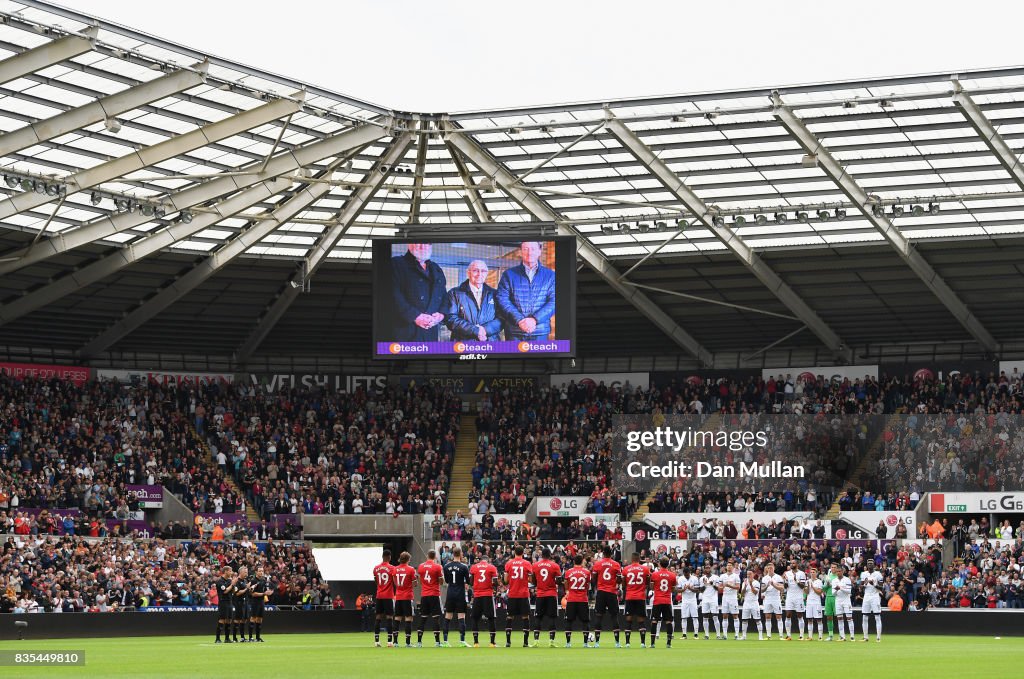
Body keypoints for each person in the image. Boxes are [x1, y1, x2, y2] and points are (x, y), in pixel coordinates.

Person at [495, 241, 556, 341]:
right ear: (520, 252)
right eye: (525, 249)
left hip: (540, 331)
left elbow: (554, 301)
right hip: (514, 331)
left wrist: (534, 320)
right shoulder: (508, 274)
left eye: (533, 249)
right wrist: (519, 320)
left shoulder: (550, 275)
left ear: (539, 251)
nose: (529, 252)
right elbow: (502, 299)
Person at [390, 243, 447, 341]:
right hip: (404, 333)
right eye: (418, 242)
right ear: (409, 244)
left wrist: (441, 315)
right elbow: (392, 294)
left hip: (431, 333)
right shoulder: (395, 264)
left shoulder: (436, 268)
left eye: (427, 243)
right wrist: (415, 316)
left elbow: (444, 296)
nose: (423, 246)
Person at [445, 260, 502, 341]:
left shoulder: (495, 294)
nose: (479, 274)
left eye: (483, 271)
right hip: (463, 345)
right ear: (468, 273)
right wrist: (476, 330)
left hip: (490, 343)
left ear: (486, 274)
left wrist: (485, 330)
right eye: (475, 270)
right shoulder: (454, 293)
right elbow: (450, 319)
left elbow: (501, 318)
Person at [591, 545, 622, 647]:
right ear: (611, 554)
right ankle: (617, 643)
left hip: (601, 592)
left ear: (603, 553)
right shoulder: (616, 564)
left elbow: (593, 579)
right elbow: (619, 580)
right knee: (614, 616)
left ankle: (597, 643)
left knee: (599, 616)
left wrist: (597, 587)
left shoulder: (597, 564)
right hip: (612, 592)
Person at [503, 545, 533, 647]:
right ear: (523, 552)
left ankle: (508, 642)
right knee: (525, 616)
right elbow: (531, 580)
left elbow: (506, 580)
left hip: (512, 594)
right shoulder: (527, 563)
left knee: (509, 616)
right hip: (524, 594)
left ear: (514, 552)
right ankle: (525, 642)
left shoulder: (509, 563)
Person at [532, 547, 562, 647]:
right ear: (550, 555)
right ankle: (551, 641)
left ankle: (536, 641)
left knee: (538, 617)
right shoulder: (555, 565)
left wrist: (540, 584)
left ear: (541, 555)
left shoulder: (535, 565)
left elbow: (533, 581)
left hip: (540, 594)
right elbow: (558, 581)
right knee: (552, 617)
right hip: (551, 594)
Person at [442, 547, 470, 647]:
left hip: (450, 593)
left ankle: (445, 641)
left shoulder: (446, 566)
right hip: (460, 594)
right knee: (461, 616)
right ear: (461, 554)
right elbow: (468, 581)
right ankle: (462, 641)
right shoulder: (464, 566)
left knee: (448, 616)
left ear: (452, 554)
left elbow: (447, 580)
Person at [468, 555, 499, 647]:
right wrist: (494, 590)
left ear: (481, 560)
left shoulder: (474, 567)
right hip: (488, 595)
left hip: (477, 595)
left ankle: (476, 643)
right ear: (487, 560)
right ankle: (492, 643)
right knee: (491, 618)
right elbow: (495, 582)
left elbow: (471, 582)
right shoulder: (492, 567)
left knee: (475, 618)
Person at [563, 554, 592, 648]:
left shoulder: (568, 572)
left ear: (574, 561)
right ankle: (585, 644)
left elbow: (566, 584)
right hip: (583, 599)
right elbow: (588, 586)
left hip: (571, 599)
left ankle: (568, 643)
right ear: (582, 561)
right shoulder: (587, 572)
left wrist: (568, 591)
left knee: (569, 621)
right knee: (585, 621)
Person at [416, 550, 444, 647]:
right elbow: (441, 582)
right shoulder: (437, 567)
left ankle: (419, 642)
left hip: (424, 595)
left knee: (423, 619)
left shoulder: (421, 566)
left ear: (427, 556)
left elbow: (420, 581)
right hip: (434, 594)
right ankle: (437, 642)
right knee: (436, 619)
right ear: (435, 556)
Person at [648, 557, 677, 648]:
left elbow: (652, 587)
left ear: (659, 564)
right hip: (667, 601)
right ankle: (668, 644)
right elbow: (673, 589)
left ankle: (652, 644)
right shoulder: (672, 575)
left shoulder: (655, 574)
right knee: (669, 621)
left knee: (654, 621)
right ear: (668, 564)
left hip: (657, 601)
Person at [622, 553, 649, 648]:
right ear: (639, 559)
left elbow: (623, 585)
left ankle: (627, 643)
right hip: (640, 597)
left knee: (628, 620)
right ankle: (642, 643)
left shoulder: (626, 569)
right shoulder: (645, 569)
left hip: (629, 597)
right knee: (641, 620)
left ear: (631, 558)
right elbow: (647, 582)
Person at [373, 549, 397, 647]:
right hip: (388, 596)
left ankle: (376, 641)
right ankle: (389, 641)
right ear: (389, 557)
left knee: (378, 617)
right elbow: (395, 583)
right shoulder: (392, 568)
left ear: (382, 557)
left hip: (379, 595)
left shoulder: (376, 568)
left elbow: (376, 581)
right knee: (389, 617)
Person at [394, 552, 418, 647]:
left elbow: (395, 582)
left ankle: (395, 642)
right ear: (408, 559)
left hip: (398, 596)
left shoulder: (395, 569)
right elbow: (415, 583)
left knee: (397, 618)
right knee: (408, 618)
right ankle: (408, 643)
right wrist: (408, 586)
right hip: (407, 596)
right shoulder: (411, 569)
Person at [783, 560, 807, 640]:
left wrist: (796, 580)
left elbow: (802, 586)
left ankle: (801, 635)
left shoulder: (801, 573)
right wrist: (785, 581)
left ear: (797, 564)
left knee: (799, 615)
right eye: (791, 563)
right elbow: (786, 586)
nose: (792, 564)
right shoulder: (787, 573)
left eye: (793, 563)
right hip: (789, 597)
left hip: (798, 597)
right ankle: (788, 635)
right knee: (788, 615)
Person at [860, 561, 884, 642]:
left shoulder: (878, 574)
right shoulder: (863, 574)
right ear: (866, 565)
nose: (870, 565)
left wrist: (874, 584)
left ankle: (878, 637)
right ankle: (865, 637)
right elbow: (860, 587)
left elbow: (881, 588)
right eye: (868, 563)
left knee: (877, 616)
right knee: (864, 617)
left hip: (875, 596)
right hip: (866, 596)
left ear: (874, 565)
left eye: (871, 563)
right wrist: (865, 584)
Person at [761, 563, 784, 640]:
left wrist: (774, 585)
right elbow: (762, 589)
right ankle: (768, 635)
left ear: (774, 568)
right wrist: (767, 586)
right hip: (767, 598)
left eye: (771, 568)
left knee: (779, 616)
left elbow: (782, 588)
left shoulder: (778, 577)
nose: (770, 569)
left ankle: (781, 636)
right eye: (768, 568)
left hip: (776, 598)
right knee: (767, 616)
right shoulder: (764, 578)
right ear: (767, 569)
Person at [214, 565, 237, 643]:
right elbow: (225, 591)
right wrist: (232, 585)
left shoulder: (230, 581)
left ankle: (227, 638)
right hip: (223, 602)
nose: (231, 572)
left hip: (230, 602)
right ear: (226, 571)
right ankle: (217, 639)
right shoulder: (220, 581)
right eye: (230, 571)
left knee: (229, 620)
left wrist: (234, 587)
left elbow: (234, 592)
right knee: (222, 620)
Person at [740, 568, 763, 641]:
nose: (748, 575)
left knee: (758, 620)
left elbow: (756, 592)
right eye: (747, 574)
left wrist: (751, 585)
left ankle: (760, 636)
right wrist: (746, 586)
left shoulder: (756, 583)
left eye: (750, 574)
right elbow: (742, 594)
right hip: (746, 603)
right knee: (744, 620)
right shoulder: (744, 583)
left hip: (754, 603)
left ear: (753, 574)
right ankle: (744, 636)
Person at [720, 563, 742, 640]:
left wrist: (729, 586)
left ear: (732, 567)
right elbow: (720, 588)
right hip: (725, 597)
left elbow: (738, 587)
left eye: (730, 566)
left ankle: (736, 634)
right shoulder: (722, 576)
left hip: (733, 598)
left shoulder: (736, 576)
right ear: (726, 567)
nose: (729, 567)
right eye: (728, 565)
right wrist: (722, 586)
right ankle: (725, 635)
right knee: (724, 615)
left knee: (735, 616)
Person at [700, 565, 722, 640]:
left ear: (711, 569)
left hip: (713, 599)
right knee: (705, 617)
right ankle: (706, 635)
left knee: (715, 617)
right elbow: (701, 590)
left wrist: (712, 584)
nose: (708, 569)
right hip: (705, 599)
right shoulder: (702, 578)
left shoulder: (716, 577)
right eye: (706, 568)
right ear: (704, 569)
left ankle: (718, 635)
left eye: (709, 568)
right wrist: (705, 584)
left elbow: (718, 589)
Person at [679, 566, 701, 640]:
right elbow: (678, 590)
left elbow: (697, 590)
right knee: (684, 617)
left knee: (695, 617)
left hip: (693, 600)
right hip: (684, 600)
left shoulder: (694, 578)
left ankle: (696, 634)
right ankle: (684, 634)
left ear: (689, 573)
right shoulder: (680, 579)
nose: (686, 575)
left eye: (687, 574)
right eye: (685, 574)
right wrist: (684, 589)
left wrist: (690, 588)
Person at [248, 566, 269, 642]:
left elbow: (265, 591)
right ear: (256, 572)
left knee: (260, 619)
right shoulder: (253, 581)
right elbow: (253, 594)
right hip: (255, 602)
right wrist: (263, 594)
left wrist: (267, 593)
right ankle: (250, 637)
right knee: (253, 618)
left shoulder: (264, 580)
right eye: (259, 571)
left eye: (262, 571)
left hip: (261, 602)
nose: (261, 572)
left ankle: (258, 637)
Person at [833, 566, 855, 642]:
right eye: (837, 571)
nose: (838, 573)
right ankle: (842, 636)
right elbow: (833, 593)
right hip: (838, 601)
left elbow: (849, 591)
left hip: (846, 600)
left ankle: (852, 636)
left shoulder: (847, 580)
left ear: (842, 572)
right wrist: (836, 590)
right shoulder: (834, 580)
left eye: (839, 571)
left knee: (849, 618)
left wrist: (841, 588)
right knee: (839, 619)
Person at [232, 565, 250, 643]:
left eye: (247, 572)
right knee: (237, 620)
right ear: (240, 572)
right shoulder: (237, 581)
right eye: (245, 572)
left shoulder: (245, 581)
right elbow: (237, 593)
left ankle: (242, 637)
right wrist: (246, 588)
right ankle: (234, 638)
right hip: (239, 603)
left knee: (244, 620)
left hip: (245, 602)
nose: (247, 573)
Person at [805, 567, 824, 641]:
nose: (812, 573)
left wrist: (813, 587)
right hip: (809, 602)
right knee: (809, 619)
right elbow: (806, 592)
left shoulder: (819, 581)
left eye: (814, 572)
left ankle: (820, 636)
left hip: (816, 602)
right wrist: (807, 587)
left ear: (816, 573)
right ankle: (810, 636)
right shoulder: (807, 581)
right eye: (811, 572)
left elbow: (819, 592)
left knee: (819, 619)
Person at [823, 563, 839, 641]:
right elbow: (823, 589)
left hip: (837, 598)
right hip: (828, 598)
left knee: (839, 617)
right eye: (832, 567)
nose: (833, 569)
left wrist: (832, 585)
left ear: (837, 568)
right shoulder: (828, 577)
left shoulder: (839, 577)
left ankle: (841, 635)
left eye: (834, 567)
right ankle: (830, 635)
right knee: (829, 617)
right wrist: (827, 585)